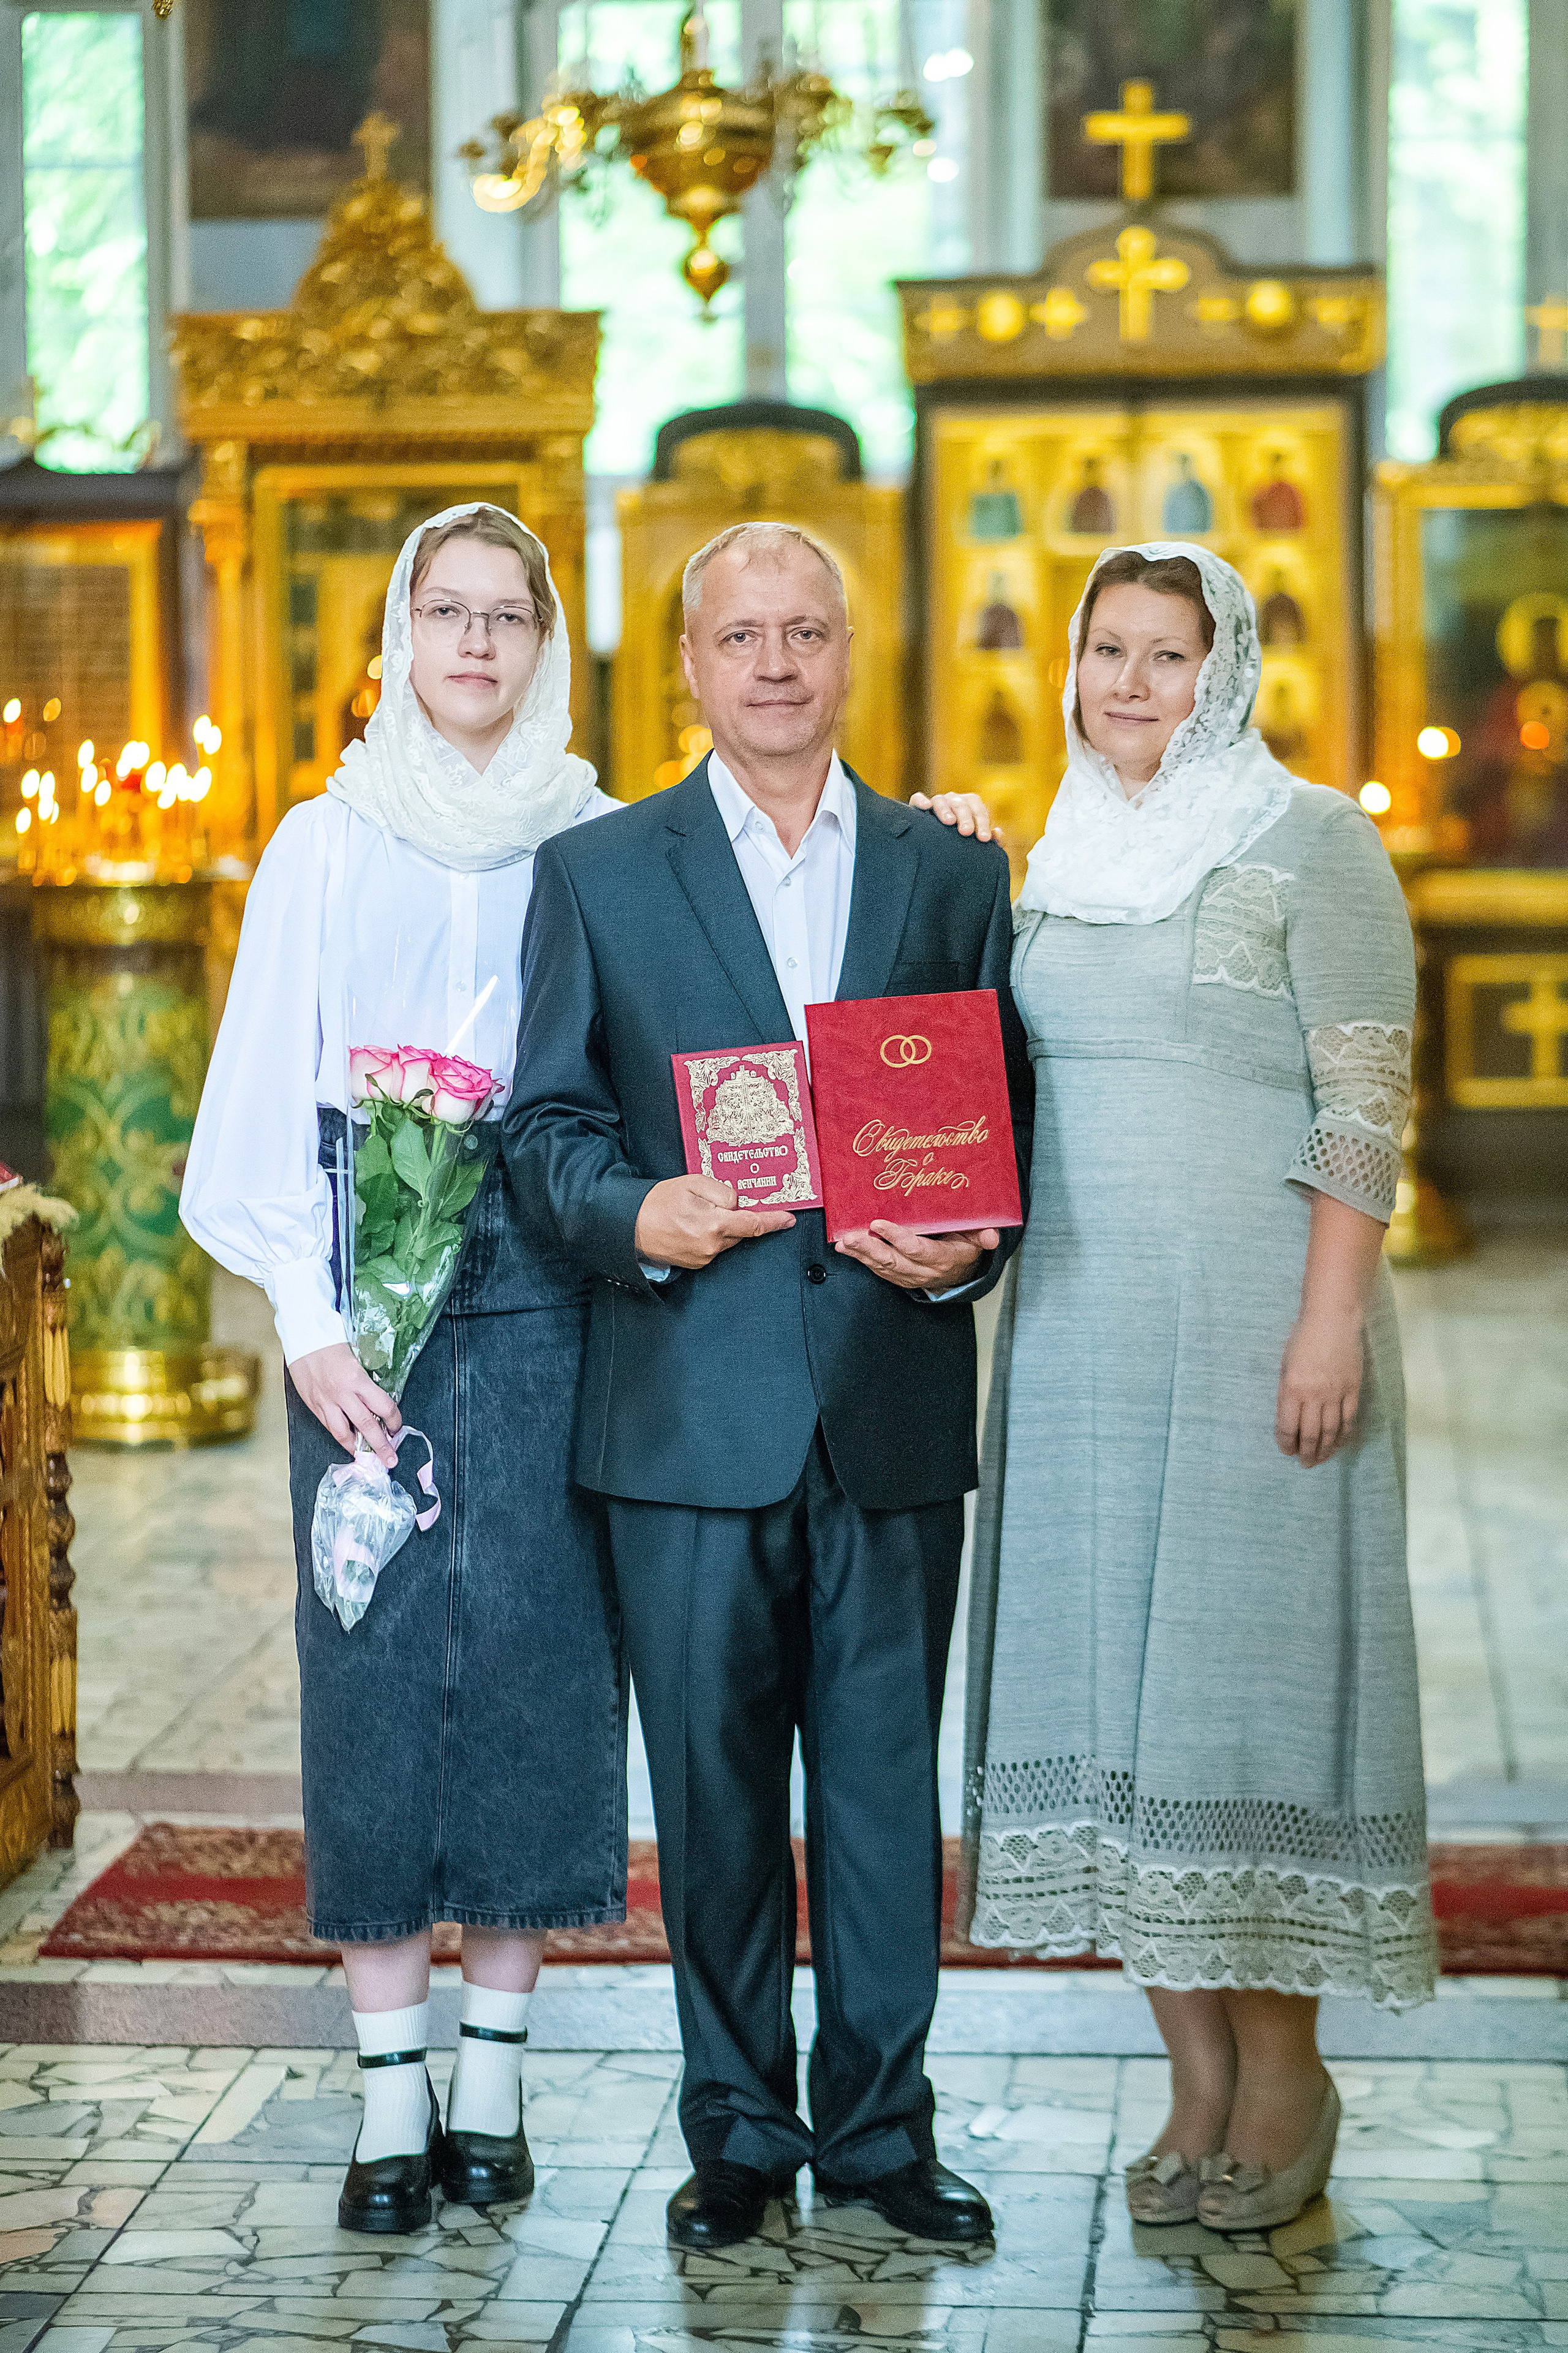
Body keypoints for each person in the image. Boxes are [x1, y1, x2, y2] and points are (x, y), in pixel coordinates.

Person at [503, 521, 1033, 2254]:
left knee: (882, 1797)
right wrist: (635, 1213)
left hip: (887, 1397)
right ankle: (736, 2127)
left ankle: (881, 2127)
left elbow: (1004, 1120)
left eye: (807, 630)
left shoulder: (950, 869)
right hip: (684, 1407)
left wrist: (969, 1244)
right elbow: (544, 1128)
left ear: (849, 649)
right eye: (743, 635)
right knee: (716, 1803)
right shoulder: (600, 870)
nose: (778, 663)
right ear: (690, 663)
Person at [962, 542, 1437, 2236]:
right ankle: (1195, 2080)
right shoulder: (1051, 860)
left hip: (1258, 1334)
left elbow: (1363, 1106)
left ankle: (1287, 2077)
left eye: (1169, 654)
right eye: (1108, 650)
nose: (1132, 683)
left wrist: (1331, 1324)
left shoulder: (1311, 840)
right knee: (1108, 1700)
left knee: (1241, 1697)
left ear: (1225, 670)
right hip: (1080, 1339)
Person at [181, 503, 628, 2234]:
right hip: (361, 1275)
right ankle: (390, 2097)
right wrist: (306, 1320)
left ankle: (493, 2082)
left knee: (534, 1649)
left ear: (545, 641)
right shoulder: (326, 839)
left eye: (508, 614)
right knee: (368, 1660)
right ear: (399, 632)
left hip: (544, 1267)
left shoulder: (594, 835)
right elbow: (259, 1088)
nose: (477, 643)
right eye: (447, 611)